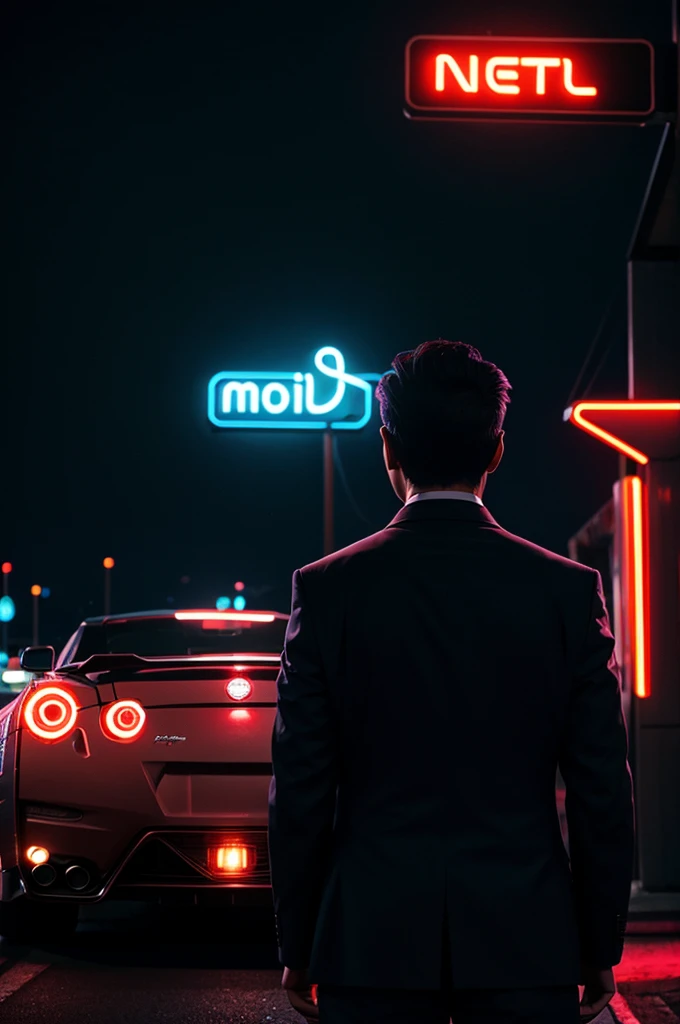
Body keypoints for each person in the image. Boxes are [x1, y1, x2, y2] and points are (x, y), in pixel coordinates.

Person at [268, 340, 634, 1024]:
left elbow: (301, 787)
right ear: (496, 451)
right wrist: (598, 941)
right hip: (528, 941)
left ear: (387, 449)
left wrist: (300, 940)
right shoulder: (566, 592)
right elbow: (601, 787)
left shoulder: (325, 593)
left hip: (369, 944)